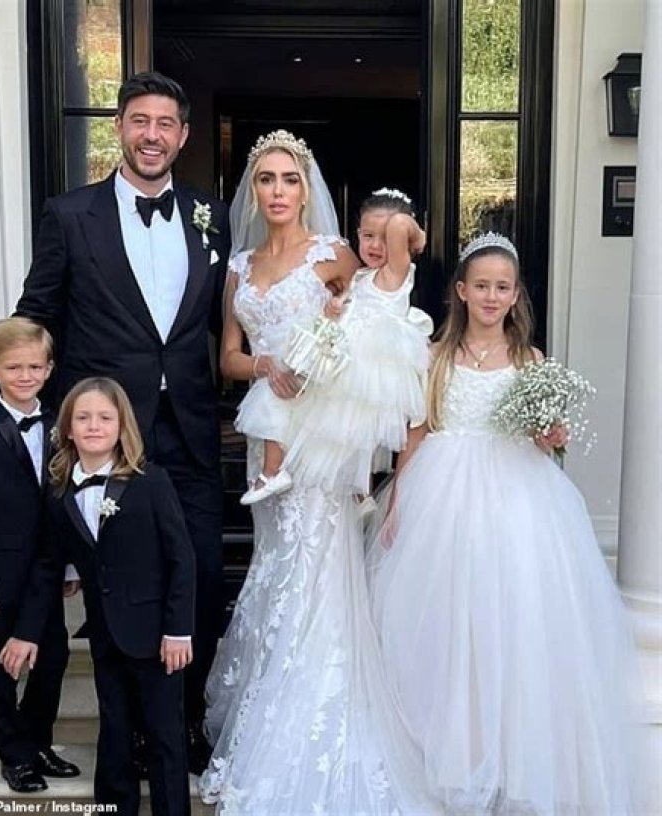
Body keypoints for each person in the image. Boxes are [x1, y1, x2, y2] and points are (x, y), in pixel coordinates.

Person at [0, 71, 231, 770]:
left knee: (198, 576)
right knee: (114, 585)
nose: (152, 135)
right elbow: (36, 310)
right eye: (140, 121)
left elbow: (225, 321)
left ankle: (185, 723)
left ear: (184, 135)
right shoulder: (71, 214)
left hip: (189, 431)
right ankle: (124, 731)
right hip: (106, 436)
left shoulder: (210, 214)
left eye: (166, 123)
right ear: (120, 128)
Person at [200, 130, 442, 815]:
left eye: (290, 179)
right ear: (253, 190)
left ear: (307, 189)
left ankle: (315, 719)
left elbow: (371, 322)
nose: (278, 191)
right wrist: (266, 364)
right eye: (266, 179)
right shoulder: (239, 267)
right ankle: (267, 713)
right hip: (268, 436)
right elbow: (228, 355)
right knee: (276, 564)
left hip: (321, 443)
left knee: (317, 570)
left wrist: (329, 372)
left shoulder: (334, 254)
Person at [367, 233, 647, 815]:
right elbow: (416, 435)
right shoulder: (434, 358)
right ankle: (454, 756)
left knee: (511, 622)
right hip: (443, 501)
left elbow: (544, 443)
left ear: (516, 295)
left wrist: (551, 435)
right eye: (482, 286)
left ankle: (512, 760)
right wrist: (396, 506)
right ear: (461, 291)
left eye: (502, 287)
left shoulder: (530, 362)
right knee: (448, 625)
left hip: (518, 501)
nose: (491, 297)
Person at [1, 377, 196, 816]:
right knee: (114, 732)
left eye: (105, 418)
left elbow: (181, 559)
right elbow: (48, 565)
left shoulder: (151, 482)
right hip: (106, 635)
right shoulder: (59, 492)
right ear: (67, 429)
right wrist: (27, 632)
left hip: (157, 636)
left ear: (122, 427)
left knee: (165, 737)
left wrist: (179, 630)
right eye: (83, 418)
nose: (94, 426)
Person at [0, 317, 78, 793]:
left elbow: (65, 504)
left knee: (53, 657)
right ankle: (15, 756)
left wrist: (68, 564)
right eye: (13, 368)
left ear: (48, 369)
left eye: (34, 367)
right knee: (1, 668)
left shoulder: (60, 426)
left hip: (45, 570)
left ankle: (38, 742)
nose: (25, 376)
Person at [283, 186, 433, 502]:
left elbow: (399, 225)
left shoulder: (395, 271)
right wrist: (336, 307)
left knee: (360, 428)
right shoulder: (362, 275)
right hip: (346, 366)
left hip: (373, 369)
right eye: (368, 236)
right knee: (339, 431)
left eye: (385, 237)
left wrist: (417, 236)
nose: (376, 245)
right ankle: (356, 493)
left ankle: (362, 492)